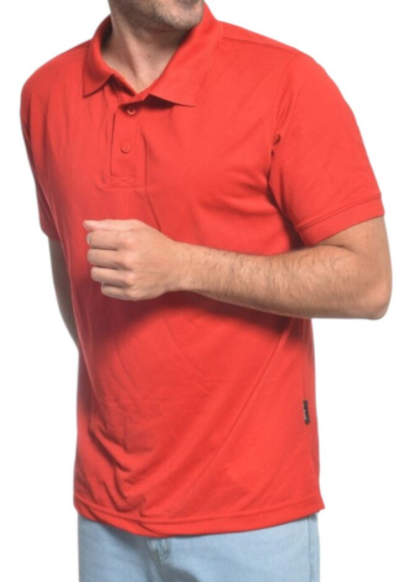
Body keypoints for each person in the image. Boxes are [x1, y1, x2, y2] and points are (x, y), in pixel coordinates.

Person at [19, 1, 392, 581]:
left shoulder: (285, 80)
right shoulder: (45, 94)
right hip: (107, 512)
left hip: (252, 516)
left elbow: (369, 283)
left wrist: (182, 266)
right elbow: (73, 268)